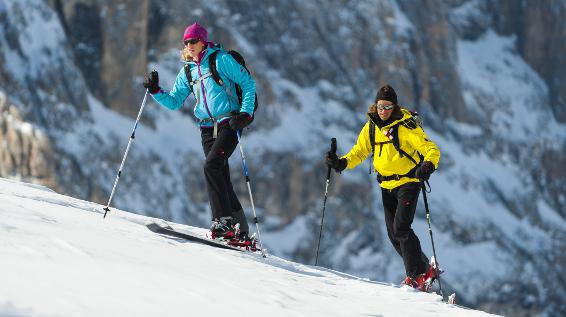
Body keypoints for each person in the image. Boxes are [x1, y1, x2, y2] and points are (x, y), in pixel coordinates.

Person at [142, 22, 255, 240]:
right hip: (206, 128)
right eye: (186, 42)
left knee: (211, 166)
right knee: (219, 174)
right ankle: (240, 230)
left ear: (203, 40)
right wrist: (155, 90)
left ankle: (222, 223)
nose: (189, 45)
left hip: (228, 124)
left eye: (193, 41)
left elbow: (248, 83)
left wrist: (246, 114)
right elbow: (175, 101)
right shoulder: (188, 71)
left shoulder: (220, 59)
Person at [326, 84, 441, 291]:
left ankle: (415, 276)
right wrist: (340, 163)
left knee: (401, 228)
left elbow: (430, 149)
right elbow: (359, 152)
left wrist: (427, 165)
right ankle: (425, 270)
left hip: (408, 182)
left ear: (394, 107)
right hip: (386, 185)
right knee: (394, 234)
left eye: (388, 107)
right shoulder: (371, 127)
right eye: (380, 106)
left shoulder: (406, 126)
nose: (383, 111)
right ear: (375, 105)